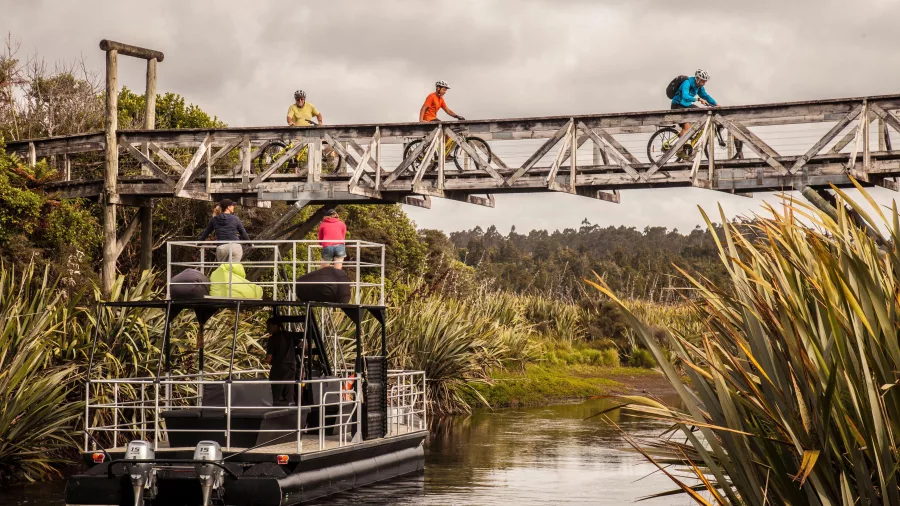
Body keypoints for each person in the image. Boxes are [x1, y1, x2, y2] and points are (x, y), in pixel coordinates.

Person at [671, 69, 717, 137]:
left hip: (687, 105)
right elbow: (685, 96)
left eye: (705, 81)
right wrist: (697, 99)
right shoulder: (687, 83)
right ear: (698, 79)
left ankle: (691, 138)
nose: (704, 83)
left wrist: (715, 104)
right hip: (677, 105)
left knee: (703, 114)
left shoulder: (699, 87)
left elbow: (705, 96)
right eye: (703, 81)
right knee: (687, 128)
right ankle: (680, 145)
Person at [264, 318, 298, 406]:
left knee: (276, 386)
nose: (267, 328)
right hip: (291, 365)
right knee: (289, 387)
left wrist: (265, 361)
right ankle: (290, 404)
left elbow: (268, 357)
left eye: (269, 326)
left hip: (279, 367)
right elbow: (302, 344)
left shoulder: (273, 339)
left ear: (275, 326)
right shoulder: (289, 335)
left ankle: (276, 404)